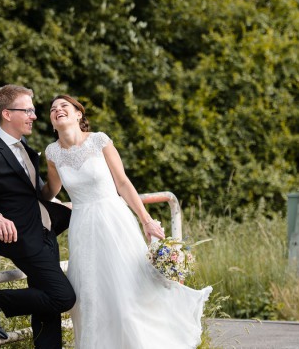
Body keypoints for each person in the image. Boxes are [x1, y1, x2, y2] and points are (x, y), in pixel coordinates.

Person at [43, 94, 212, 348]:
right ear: (53, 123)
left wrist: (146, 220)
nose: (57, 110)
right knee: (92, 299)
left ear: (79, 114)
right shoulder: (53, 153)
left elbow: (122, 183)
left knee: (128, 292)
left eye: (64, 106)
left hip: (114, 221)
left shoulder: (100, 141)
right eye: (53, 109)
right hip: (82, 230)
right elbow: (50, 192)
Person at [0, 84, 74, 348]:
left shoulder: (25, 146)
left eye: (33, 110)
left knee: (47, 308)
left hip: (46, 232)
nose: (34, 116)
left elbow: (32, 193)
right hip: (22, 238)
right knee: (63, 297)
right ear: (7, 114)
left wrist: (59, 203)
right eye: (28, 110)